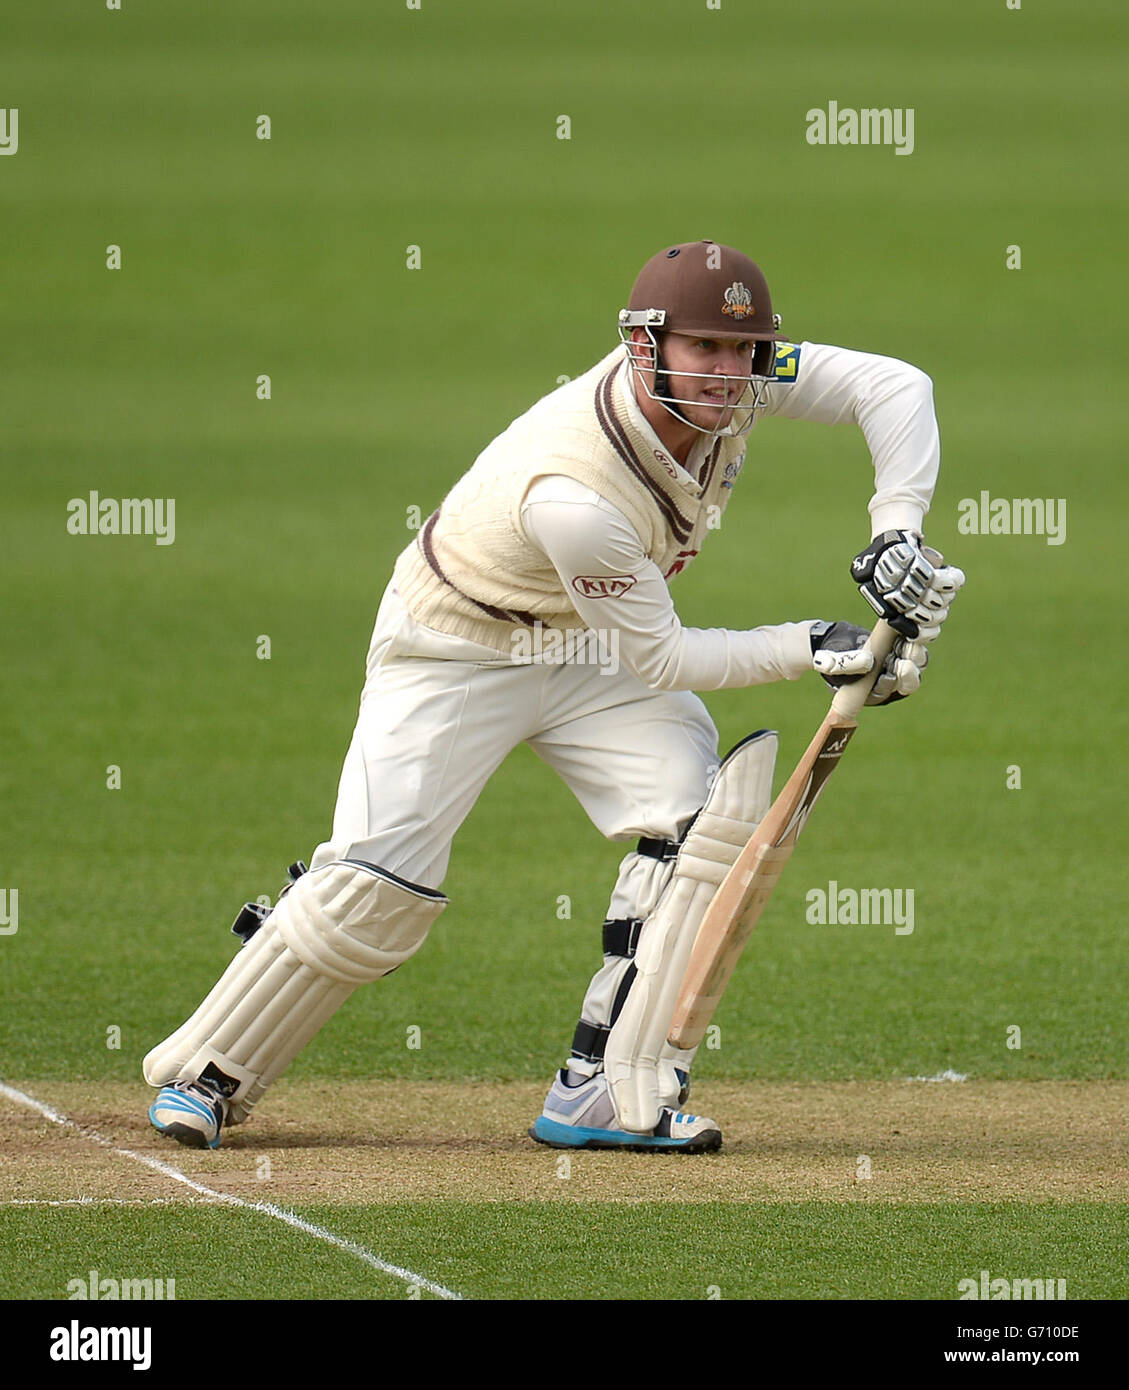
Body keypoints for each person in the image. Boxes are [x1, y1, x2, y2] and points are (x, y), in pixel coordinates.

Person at [144, 240, 964, 1153]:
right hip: (457, 646)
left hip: (587, 646)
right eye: (705, 350)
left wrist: (896, 531)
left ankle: (607, 1091)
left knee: (702, 828)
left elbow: (895, 387)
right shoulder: (574, 489)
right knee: (378, 886)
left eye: (745, 352)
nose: (730, 375)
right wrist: (819, 646)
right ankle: (207, 1074)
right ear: (644, 346)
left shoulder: (739, 378)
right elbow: (661, 658)